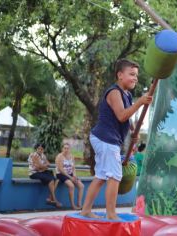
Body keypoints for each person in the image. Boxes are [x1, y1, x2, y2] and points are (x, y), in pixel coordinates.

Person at [80, 58, 152, 220]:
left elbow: (128, 117)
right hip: (106, 139)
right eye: (131, 74)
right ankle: (111, 214)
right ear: (120, 75)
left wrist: (133, 131)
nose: (135, 78)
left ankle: (86, 210)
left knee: (101, 176)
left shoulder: (126, 94)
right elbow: (121, 116)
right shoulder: (114, 92)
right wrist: (140, 102)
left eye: (136, 75)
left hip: (105, 139)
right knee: (115, 176)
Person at [28, 143, 62, 208]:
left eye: (42, 149)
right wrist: (44, 166)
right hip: (34, 173)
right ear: (36, 149)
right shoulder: (33, 155)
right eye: (38, 149)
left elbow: (48, 163)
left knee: (57, 179)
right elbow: (38, 167)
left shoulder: (43, 155)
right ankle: (55, 200)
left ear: (43, 150)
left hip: (42, 172)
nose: (40, 150)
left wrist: (43, 167)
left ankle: (49, 198)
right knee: (51, 180)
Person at [55, 143, 84, 210]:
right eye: (64, 148)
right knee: (71, 186)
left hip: (70, 174)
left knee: (81, 186)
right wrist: (70, 178)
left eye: (67, 148)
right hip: (61, 174)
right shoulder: (60, 156)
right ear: (62, 149)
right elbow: (60, 169)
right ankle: (73, 205)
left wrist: (74, 176)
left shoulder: (71, 156)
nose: (66, 150)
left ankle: (79, 204)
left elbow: (73, 168)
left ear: (70, 149)